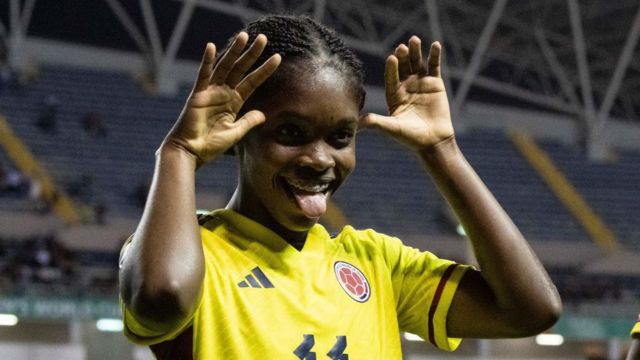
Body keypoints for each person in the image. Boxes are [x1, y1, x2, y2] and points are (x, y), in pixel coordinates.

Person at [118, 15, 561, 359]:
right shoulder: (189, 252)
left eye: (340, 137)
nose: (320, 158)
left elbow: (532, 310)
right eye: (291, 133)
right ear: (238, 133)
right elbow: (162, 296)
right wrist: (178, 152)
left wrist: (443, 151)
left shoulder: (376, 263)